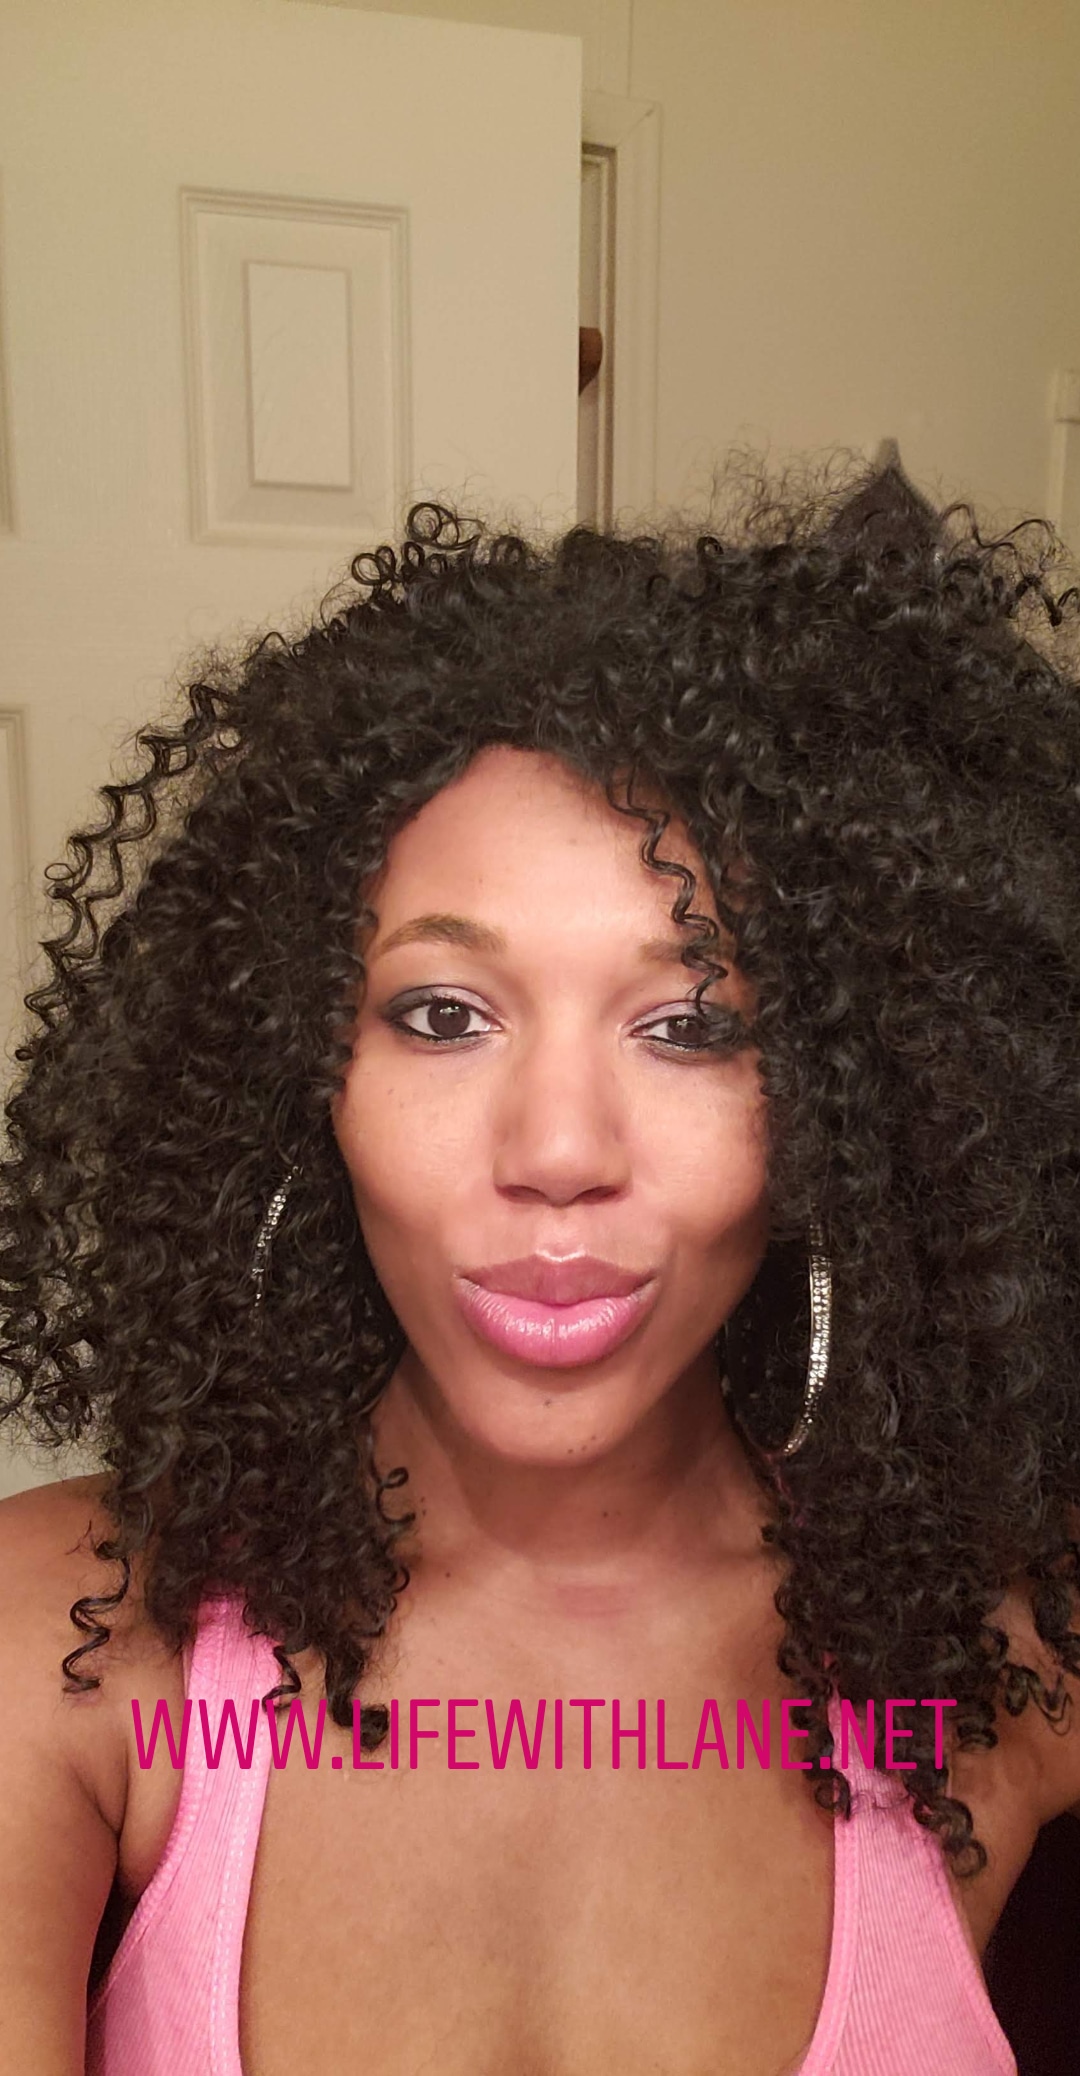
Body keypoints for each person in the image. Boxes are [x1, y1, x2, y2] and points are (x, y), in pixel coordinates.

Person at [2, 463, 1079, 2076]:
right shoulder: (70, 1638)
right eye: (443, 1014)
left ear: (856, 1107)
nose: (559, 1148)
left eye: (691, 1024)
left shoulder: (995, 1657)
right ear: (301, 1074)